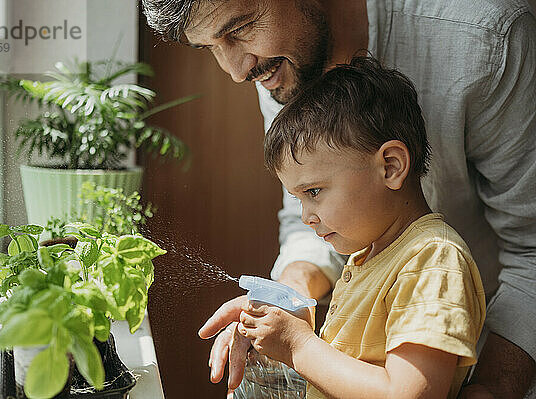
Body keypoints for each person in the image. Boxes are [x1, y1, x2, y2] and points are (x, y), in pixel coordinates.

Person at [141, 1, 536, 397]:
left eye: (240, 27)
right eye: (208, 46)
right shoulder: (278, 68)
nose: (235, 71)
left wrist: (299, 346)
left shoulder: (485, 38)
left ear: (392, 165)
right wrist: (282, 301)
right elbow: (308, 224)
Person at [239, 56, 486, 399]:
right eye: (299, 198)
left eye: (313, 191)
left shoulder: (431, 259)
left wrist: (298, 345)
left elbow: (408, 393)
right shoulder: (367, 257)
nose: (307, 216)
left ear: (391, 166)